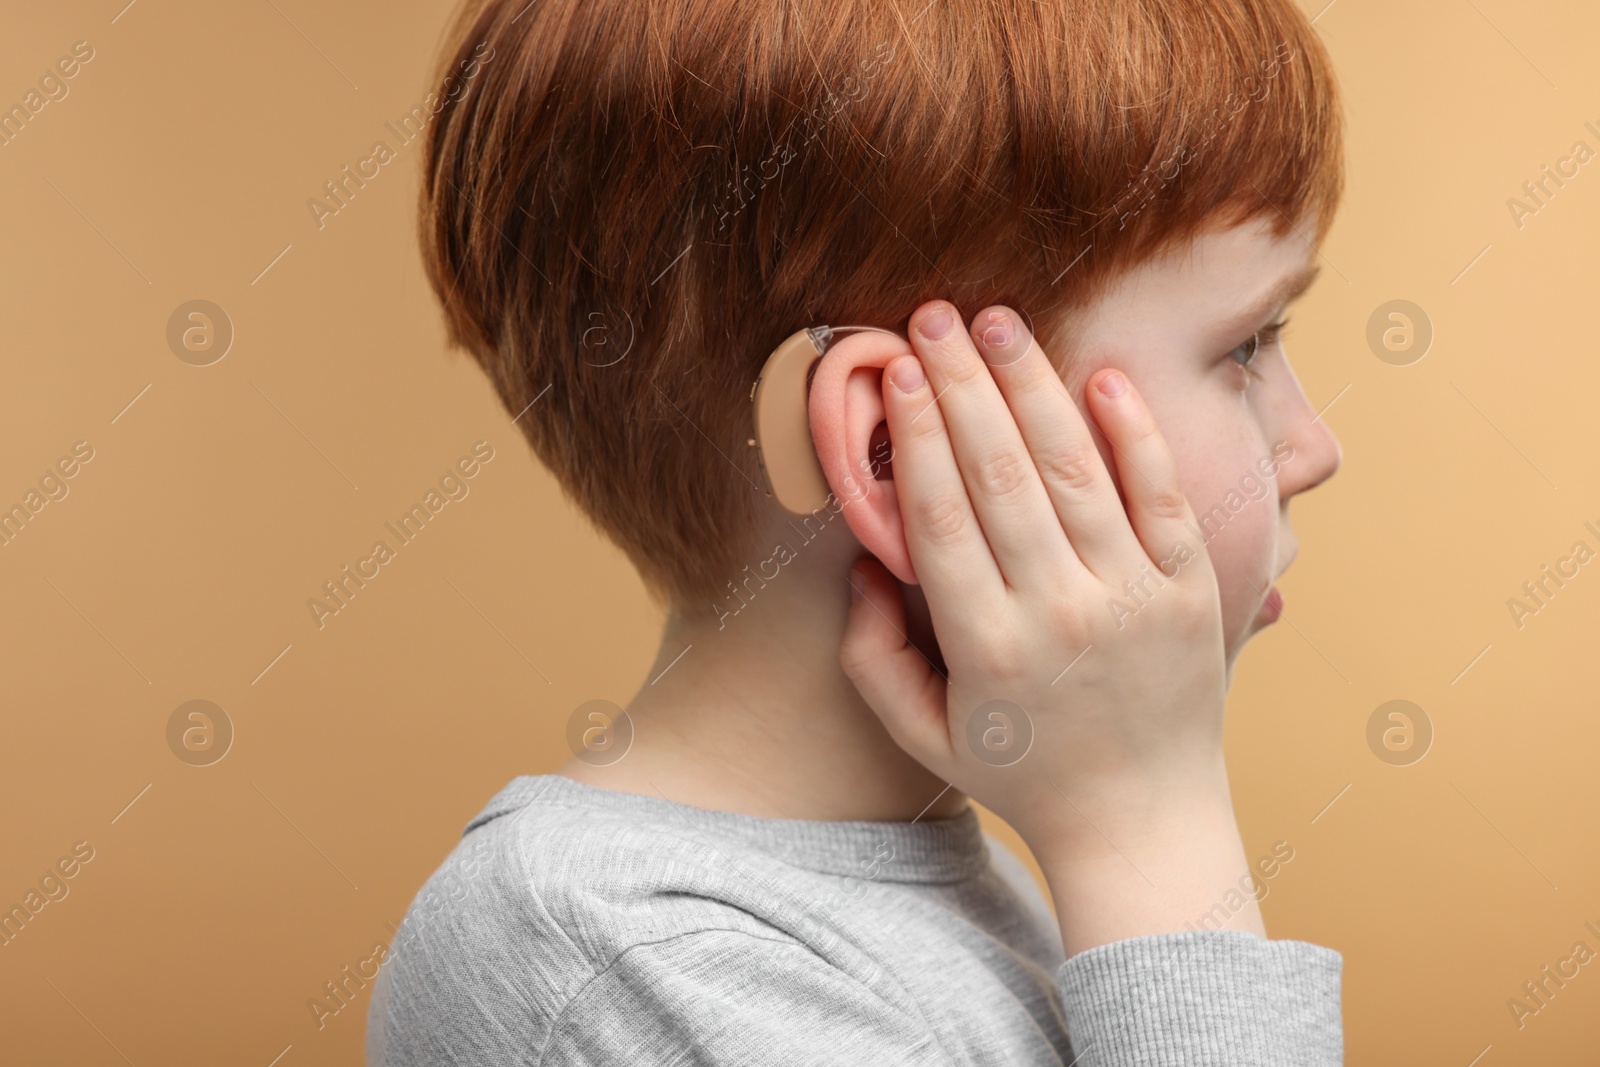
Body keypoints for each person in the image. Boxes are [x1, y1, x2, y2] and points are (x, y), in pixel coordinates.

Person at [368, 0, 1347, 1062]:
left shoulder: (979, 891)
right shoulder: (609, 964)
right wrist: (1148, 826)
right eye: (1247, 345)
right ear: (893, 449)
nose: (1312, 445)